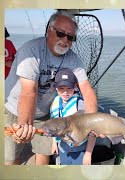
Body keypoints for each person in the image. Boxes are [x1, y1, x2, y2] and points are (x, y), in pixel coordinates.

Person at [5, 10, 98, 165]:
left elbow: (87, 89)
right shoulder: (31, 50)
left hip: (45, 114)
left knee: (44, 152)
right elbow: (29, 93)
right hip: (14, 109)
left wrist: (92, 121)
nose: (65, 40)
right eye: (61, 33)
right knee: (11, 157)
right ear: (49, 31)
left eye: (70, 37)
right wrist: (23, 126)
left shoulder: (73, 59)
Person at [50, 68, 96, 165]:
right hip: (63, 149)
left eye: (69, 88)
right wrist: (54, 143)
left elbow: (92, 130)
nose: (65, 92)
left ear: (75, 87)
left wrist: (88, 153)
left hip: (80, 150)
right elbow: (53, 127)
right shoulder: (55, 102)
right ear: (56, 88)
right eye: (61, 88)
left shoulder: (80, 104)